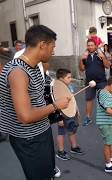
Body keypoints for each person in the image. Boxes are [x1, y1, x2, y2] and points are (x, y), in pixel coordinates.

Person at [0, 25, 70, 179]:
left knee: (48, 174)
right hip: (29, 139)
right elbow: (24, 116)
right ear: (42, 45)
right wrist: (56, 105)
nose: (53, 51)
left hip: (40, 132)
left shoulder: (32, 66)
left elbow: (37, 98)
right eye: (52, 47)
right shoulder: (18, 72)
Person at [79, 39, 110, 126]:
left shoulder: (100, 54)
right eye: (88, 45)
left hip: (101, 81)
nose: (90, 47)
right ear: (87, 46)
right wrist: (81, 60)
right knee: (89, 100)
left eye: (92, 45)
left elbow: (107, 66)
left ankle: (106, 117)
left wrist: (103, 57)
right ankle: (88, 117)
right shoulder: (85, 56)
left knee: (104, 99)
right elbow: (81, 69)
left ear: (95, 46)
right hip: (89, 82)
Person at [55, 69, 84, 161]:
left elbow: (73, 100)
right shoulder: (57, 89)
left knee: (72, 129)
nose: (70, 79)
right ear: (60, 79)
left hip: (72, 113)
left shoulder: (70, 87)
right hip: (62, 114)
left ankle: (74, 147)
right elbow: (55, 104)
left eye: (70, 77)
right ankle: (61, 151)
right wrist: (59, 118)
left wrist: (77, 110)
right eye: (68, 77)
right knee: (61, 132)